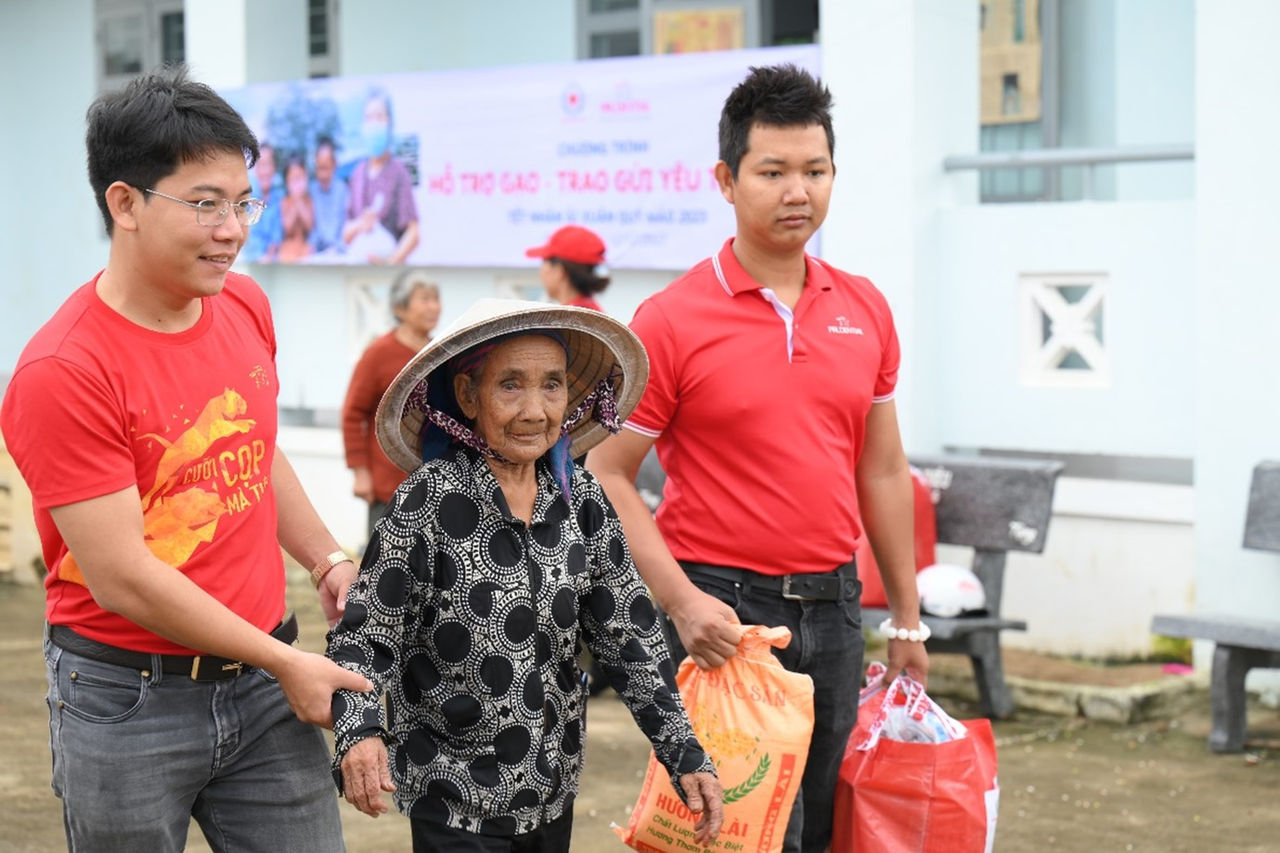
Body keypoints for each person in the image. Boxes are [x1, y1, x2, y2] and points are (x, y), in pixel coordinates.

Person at [0, 66, 373, 852]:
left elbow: (254, 450)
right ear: (125, 203)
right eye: (205, 204)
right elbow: (122, 574)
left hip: (265, 687)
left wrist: (326, 557)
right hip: (125, 700)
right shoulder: (64, 371)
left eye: (243, 202)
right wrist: (287, 660)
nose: (233, 228)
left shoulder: (242, 305)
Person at [586, 64, 930, 853]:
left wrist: (906, 616)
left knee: (821, 829)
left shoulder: (865, 307)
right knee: (734, 834)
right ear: (727, 179)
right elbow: (606, 472)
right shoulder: (672, 318)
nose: (796, 190)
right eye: (772, 171)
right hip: (723, 613)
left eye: (814, 170)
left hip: (837, 611)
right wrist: (680, 602)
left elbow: (881, 469)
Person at [326, 299, 724, 852]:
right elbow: (366, 637)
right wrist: (360, 732)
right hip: (453, 795)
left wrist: (684, 752)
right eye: (510, 385)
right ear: (469, 396)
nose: (536, 410)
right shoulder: (430, 500)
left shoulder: (580, 499)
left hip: (549, 792)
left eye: (553, 386)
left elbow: (629, 638)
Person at [341, 269, 441, 539]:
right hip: (387, 484)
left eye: (436, 298)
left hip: (432, 481)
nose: (434, 307)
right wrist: (360, 472)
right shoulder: (379, 353)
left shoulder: (440, 352)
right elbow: (353, 413)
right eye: (424, 299)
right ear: (400, 307)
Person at [343, 87, 420, 265]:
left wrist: (390, 264)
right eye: (369, 118)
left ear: (389, 124)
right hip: (356, 275)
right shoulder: (357, 173)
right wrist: (361, 224)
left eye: (379, 117)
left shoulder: (398, 172)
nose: (374, 124)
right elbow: (346, 234)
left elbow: (414, 232)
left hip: (389, 274)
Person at [525, 224, 611, 311]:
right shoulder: (590, 313)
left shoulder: (568, 319)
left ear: (559, 271)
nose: (541, 271)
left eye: (544, 262)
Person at [242, 139, 284, 262]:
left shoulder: (279, 197)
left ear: (274, 168)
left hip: (273, 262)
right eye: (261, 165)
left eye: (268, 164)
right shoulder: (246, 197)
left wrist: (269, 257)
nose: (265, 171)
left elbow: (277, 237)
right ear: (256, 169)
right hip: (249, 262)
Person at [310, 136, 349, 256]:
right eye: (319, 168)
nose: (322, 174)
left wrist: (336, 248)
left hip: (339, 252)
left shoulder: (343, 191)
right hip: (316, 253)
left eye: (326, 168)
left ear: (334, 164)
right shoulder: (312, 190)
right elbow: (311, 231)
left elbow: (347, 228)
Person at [278, 155, 315, 262]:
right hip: (289, 246)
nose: (297, 184)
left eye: (300, 178)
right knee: (285, 255)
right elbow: (287, 228)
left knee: (309, 253)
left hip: (305, 245)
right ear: (287, 183)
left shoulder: (308, 200)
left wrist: (300, 202)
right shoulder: (285, 201)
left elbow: (309, 226)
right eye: (293, 180)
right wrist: (295, 200)